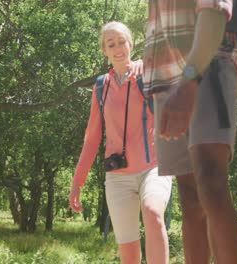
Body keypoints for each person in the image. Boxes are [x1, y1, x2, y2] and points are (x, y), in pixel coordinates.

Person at [143, 1, 237, 263]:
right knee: (190, 199)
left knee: (211, 184)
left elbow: (214, 12)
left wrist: (189, 81)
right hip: (165, 79)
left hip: (207, 66)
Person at [69, 21, 172, 264]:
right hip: (118, 176)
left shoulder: (148, 73)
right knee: (128, 249)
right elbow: (92, 138)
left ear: (131, 44)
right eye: (110, 44)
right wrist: (77, 181)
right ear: (104, 50)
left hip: (154, 167)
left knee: (153, 212)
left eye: (122, 42)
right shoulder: (101, 87)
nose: (118, 48)